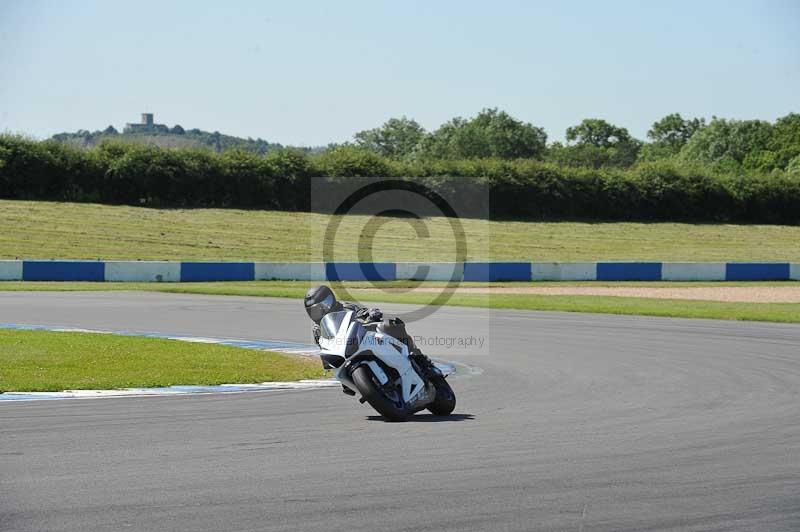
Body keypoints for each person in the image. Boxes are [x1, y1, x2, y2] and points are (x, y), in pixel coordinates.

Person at [303, 285, 438, 383]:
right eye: (313, 311)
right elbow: (324, 348)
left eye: (321, 307)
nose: (318, 312)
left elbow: (363, 312)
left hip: (363, 339)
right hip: (346, 355)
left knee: (392, 325)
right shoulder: (317, 330)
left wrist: (371, 313)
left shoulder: (345, 307)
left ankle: (420, 359)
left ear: (330, 300)